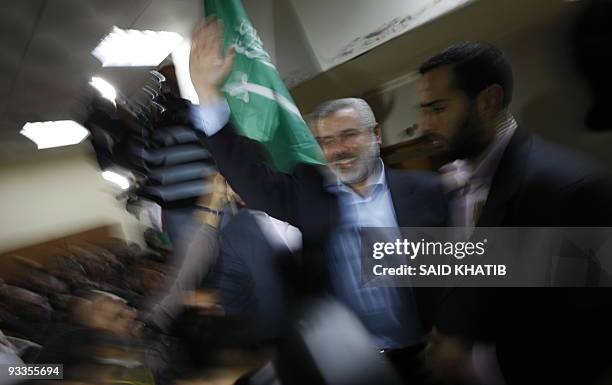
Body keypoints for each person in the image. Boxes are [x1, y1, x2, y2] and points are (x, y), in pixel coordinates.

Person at [188, 19, 448, 384]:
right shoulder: (309, 192)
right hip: (348, 365)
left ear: (375, 135)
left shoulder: (427, 191)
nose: (336, 150)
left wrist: (457, 333)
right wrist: (207, 91)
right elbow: (249, 177)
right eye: (325, 141)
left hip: (429, 357)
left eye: (348, 136)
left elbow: (464, 274)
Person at [417, 41, 612, 384]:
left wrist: (475, 361)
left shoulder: (568, 188)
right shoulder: (454, 185)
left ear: (488, 102)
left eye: (437, 108)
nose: (424, 125)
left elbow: (594, 334)